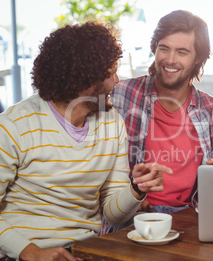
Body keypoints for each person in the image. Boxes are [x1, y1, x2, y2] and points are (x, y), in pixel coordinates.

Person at [0, 21, 171, 260]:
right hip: (23, 254)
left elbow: (113, 215)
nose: (118, 81)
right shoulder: (14, 126)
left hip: (85, 252)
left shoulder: (112, 123)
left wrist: (136, 189)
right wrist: (31, 252)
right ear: (88, 78)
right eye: (112, 72)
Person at [108, 10, 213, 230]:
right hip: (132, 216)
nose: (170, 60)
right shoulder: (122, 94)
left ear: (198, 59)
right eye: (164, 48)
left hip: (189, 218)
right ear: (155, 48)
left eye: (182, 52)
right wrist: (131, 194)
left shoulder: (212, 110)